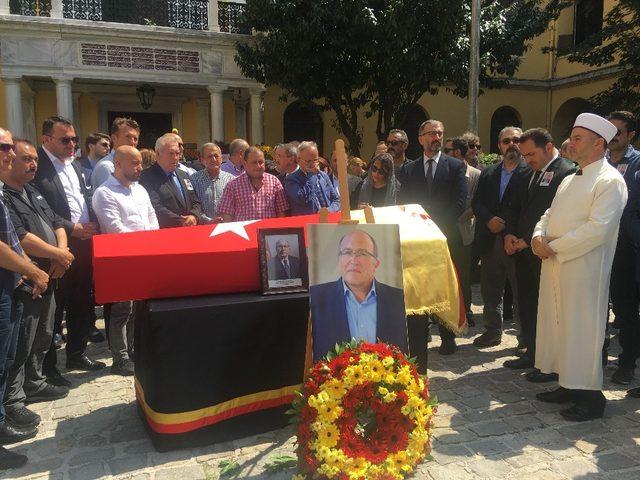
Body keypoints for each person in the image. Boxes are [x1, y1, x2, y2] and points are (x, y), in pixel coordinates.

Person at [532, 113, 627, 421]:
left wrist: (554, 246)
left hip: (583, 268)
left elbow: (597, 229)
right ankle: (566, 382)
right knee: (558, 324)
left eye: (577, 138)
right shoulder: (570, 178)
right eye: (571, 138)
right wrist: (536, 237)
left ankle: (589, 396)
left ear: (599, 144)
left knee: (582, 330)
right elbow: (549, 213)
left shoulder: (610, 181)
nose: (570, 144)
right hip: (555, 263)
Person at [1, 138, 76, 435]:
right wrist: (57, 255)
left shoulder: (32, 191)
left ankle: (35, 381)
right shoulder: (6, 196)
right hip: (26, 278)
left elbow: (57, 221)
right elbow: (20, 237)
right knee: (21, 340)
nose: (33, 164)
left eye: (34, 159)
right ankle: (14, 398)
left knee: (44, 332)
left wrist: (61, 254)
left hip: (50, 272)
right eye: (25, 158)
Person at [33, 116, 105, 373]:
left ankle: (77, 353)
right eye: (65, 139)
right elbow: (42, 209)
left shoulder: (74, 165)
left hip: (84, 245)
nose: (72, 144)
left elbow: (84, 200)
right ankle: (48, 368)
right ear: (46, 139)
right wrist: (73, 228)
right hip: (54, 248)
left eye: (74, 139)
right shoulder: (37, 167)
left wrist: (92, 224)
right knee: (55, 307)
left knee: (81, 301)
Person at [503, 128, 575, 377]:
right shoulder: (527, 172)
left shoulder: (567, 173)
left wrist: (527, 240)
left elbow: (554, 214)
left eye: (531, 153)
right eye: (524, 155)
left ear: (548, 146)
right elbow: (514, 207)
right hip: (521, 251)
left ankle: (551, 362)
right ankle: (533, 353)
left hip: (546, 252)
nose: (528, 159)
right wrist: (510, 235)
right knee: (527, 303)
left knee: (548, 309)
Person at [0, 129, 50, 468]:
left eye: (8, 146)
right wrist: (32, 270)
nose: (8, 153)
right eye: (3, 147)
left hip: (10, 284)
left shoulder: (22, 191)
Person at [399, 119, 467, 355]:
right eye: (431, 133)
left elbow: (459, 203)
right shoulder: (408, 169)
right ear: (420, 139)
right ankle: (421, 333)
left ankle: (449, 337)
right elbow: (405, 204)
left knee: (446, 286)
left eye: (439, 133)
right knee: (421, 286)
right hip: (418, 241)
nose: (436, 137)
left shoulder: (456, 166)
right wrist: (421, 228)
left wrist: (435, 228)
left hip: (446, 237)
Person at [92, 146, 159, 376]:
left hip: (145, 257)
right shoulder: (104, 193)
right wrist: (143, 244)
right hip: (121, 260)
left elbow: (152, 219)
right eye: (135, 163)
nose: (140, 168)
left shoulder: (140, 190)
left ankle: (133, 349)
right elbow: (115, 230)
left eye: (140, 162)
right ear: (118, 164)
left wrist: (151, 244)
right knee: (122, 310)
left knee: (137, 308)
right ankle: (119, 358)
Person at [310, 230, 407, 361]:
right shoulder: (315, 298)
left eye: (362, 253)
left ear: (376, 264)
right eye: (347, 252)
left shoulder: (399, 299)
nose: (353, 260)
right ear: (339, 261)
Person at [472, 127, 526, 349]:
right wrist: (489, 219)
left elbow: (528, 206)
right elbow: (477, 202)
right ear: (499, 145)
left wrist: (505, 225)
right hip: (490, 238)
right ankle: (492, 331)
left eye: (516, 140)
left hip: (516, 241)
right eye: (507, 141)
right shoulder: (489, 172)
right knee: (491, 289)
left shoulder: (529, 172)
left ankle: (525, 339)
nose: (512, 144)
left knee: (521, 291)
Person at [606, 111, 640, 385]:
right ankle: (598, 358)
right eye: (609, 131)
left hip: (628, 250)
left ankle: (627, 363)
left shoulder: (638, 164)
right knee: (597, 308)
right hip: (599, 246)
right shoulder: (599, 162)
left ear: (630, 135)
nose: (612, 137)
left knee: (626, 310)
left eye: (618, 131)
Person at [445, 137, 481, 326]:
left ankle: (466, 310)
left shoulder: (475, 174)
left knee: (463, 274)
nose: (444, 154)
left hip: (463, 231)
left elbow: (476, 203)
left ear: (457, 152)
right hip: (445, 231)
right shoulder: (445, 172)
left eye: (447, 150)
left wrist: (457, 217)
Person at [139, 133, 207, 228]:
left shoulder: (184, 175)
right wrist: (182, 221)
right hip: (167, 232)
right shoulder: (146, 177)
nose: (176, 158)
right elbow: (155, 207)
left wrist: (194, 216)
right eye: (171, 153)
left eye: (177, 153)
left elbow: (195, 201)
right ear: (158, 153)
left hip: (190, 229)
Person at [218, 146, 289, 221]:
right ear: (245, 163)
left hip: (268, 231)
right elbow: (226, 214)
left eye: (261, 162)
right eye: (254, 163)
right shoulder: (233, 185)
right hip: (244, 232)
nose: (258, 166)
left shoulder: (274, 182)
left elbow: (281, 212)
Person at [285, 141, 340, 215]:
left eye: (315, 160)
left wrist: (329, 210)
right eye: (308, 161)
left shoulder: (323, 176)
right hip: (306, 224)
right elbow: (302, 199)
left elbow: (336, 200)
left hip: (327, 222)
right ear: (298, 160)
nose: (313, 164)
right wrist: (312, 175)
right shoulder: (291, 179)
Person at [190, 143, 234, 223]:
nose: (213, 159)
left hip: (227, 227)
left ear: (221, 158)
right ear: (202, 160)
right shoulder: (194, 180)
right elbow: (192, 205)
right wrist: (209, 221)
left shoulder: (231, 180)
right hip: (203, 229)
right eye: (209, 156)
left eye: (216, 156)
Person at [91, 117, 140, 188]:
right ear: (114, 138)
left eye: (135, 139)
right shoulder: (106, 166)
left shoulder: (134, 165)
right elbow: (115, 196)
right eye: (128, 137)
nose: (132, 142)